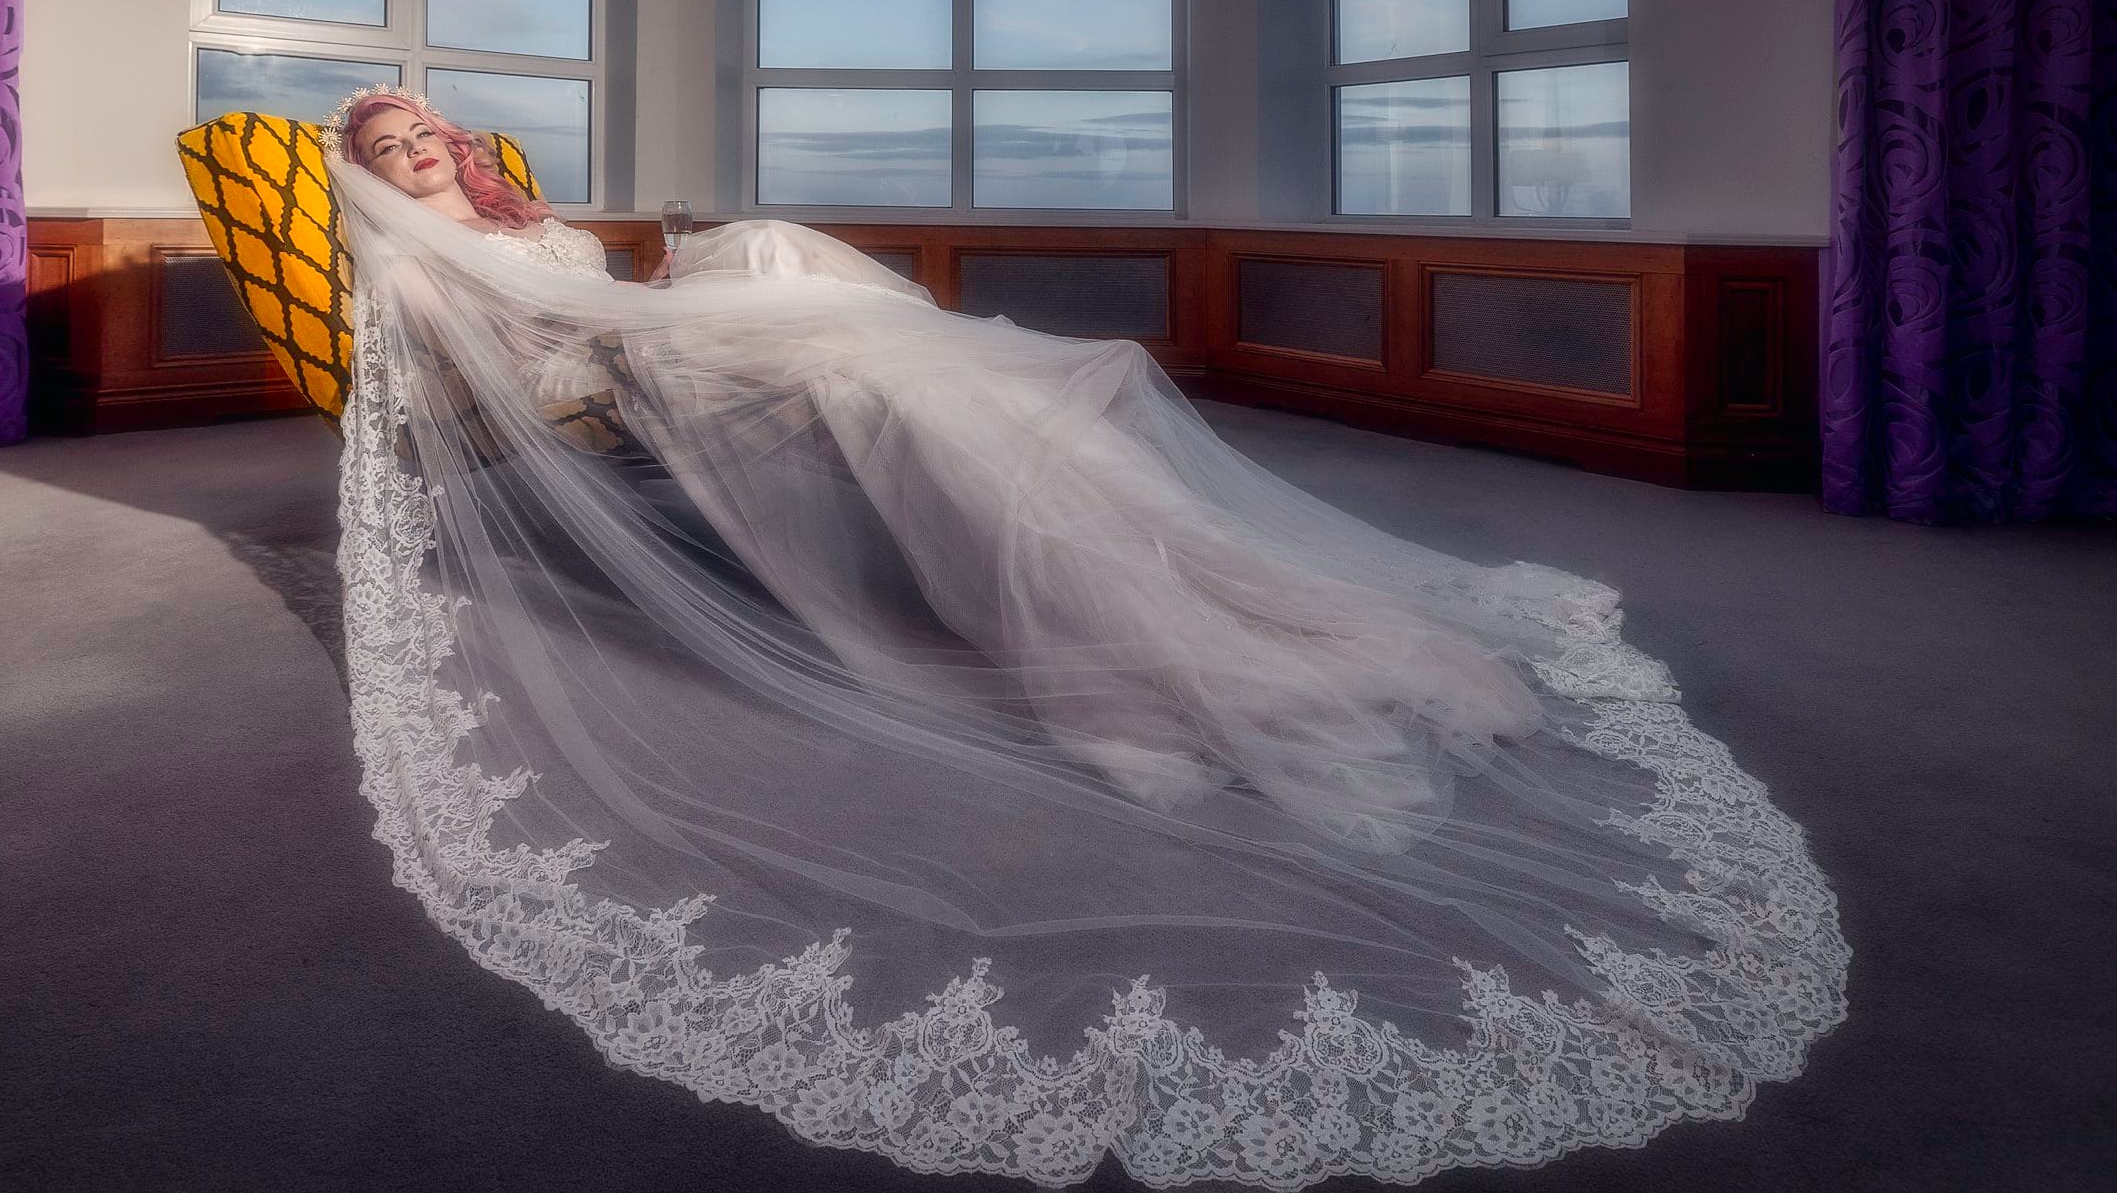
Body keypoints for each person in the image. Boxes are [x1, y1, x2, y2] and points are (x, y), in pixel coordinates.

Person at [319, 86, 1848, 1190]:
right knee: (838, 339)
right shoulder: (411, 262)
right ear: (371, 180)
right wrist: (620, 331)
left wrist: (645, 286)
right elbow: (514, 386)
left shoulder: (512, 217)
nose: (416, 155)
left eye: (422, 132)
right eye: (387, 150)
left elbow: (600, 291)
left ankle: (1064, 512)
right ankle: (1045, 522)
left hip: (646, 337)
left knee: (797, 279)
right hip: (633, 388)